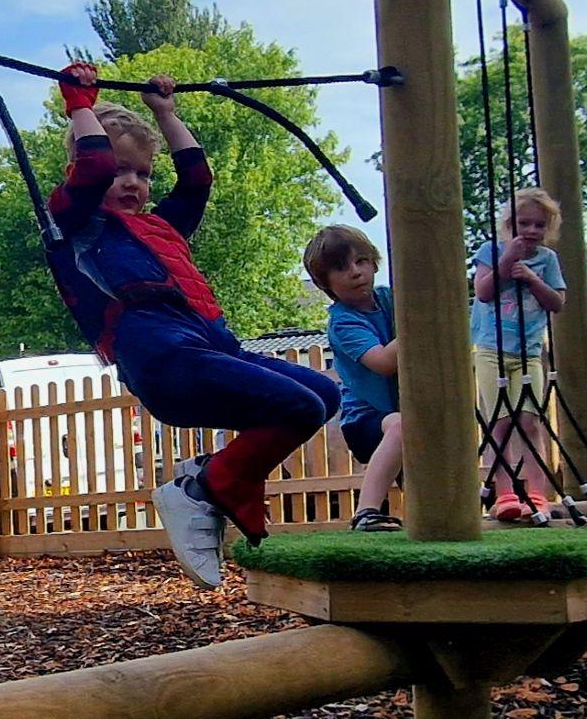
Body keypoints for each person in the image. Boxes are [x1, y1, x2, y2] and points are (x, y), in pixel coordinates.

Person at [45, 62, 338, 587]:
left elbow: (197, 179)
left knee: (321, 393)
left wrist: (166, 112)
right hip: (160, 356)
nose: (131, 182)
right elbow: (89, 167)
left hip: (209, 347)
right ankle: (205, 486)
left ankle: (205, 483)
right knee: (301, 405)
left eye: (141, 173)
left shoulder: (163, 225)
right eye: (121, 171)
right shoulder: (75, 223)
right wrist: (79, 105)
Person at [472, 187, 568, 522]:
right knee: (499, 422)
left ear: (548, 228)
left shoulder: (547, 260)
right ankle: (505, 495)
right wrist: (508, 260)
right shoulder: (490, 251)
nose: (530, 231)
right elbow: (482, 293)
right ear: (509, 225)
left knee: (529, 421)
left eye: (538, 225)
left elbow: (557, 302)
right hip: (490, 350)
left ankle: (538, 494)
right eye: (523, 223)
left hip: (528, 351)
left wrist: (531, 278)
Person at [306, 225, 404, 532]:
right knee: (402, 426)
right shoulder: (344, 321)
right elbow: (384, 363)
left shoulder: (389, 299)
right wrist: (418, 320)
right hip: (365, 420)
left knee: (426, 479)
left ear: (374, 263)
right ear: (325, 283)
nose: (355, 272)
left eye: (361, 261)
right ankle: (366, 511)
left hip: (401, 412)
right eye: (340, 267)